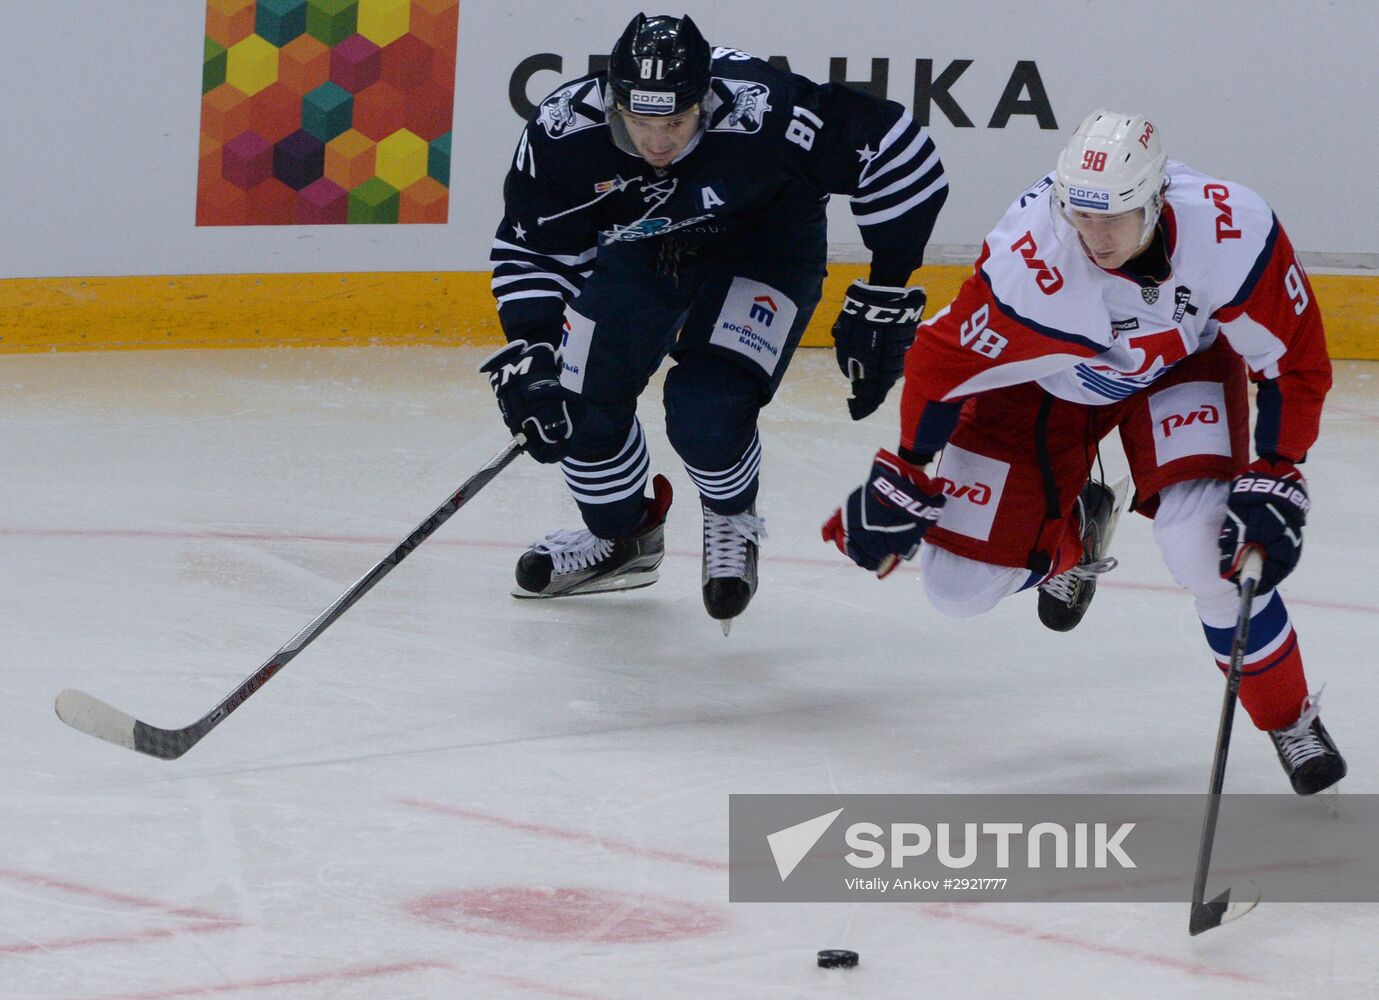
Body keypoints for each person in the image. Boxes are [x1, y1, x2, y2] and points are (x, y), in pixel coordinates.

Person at [823, 109, 1346, 795]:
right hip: (1045, 386)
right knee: (956, 589)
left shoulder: (1231, 228)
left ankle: (1286, 717)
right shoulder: (1028, 257)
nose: (1094, 238)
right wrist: (908, 464)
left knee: (1201, 544)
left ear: (1155, 200)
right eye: (1080, 216)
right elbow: (940, 362)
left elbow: (1294, 359)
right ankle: (1075, 534)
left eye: (1115, 218)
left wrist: (1278, 467)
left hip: (1177, 369)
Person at [481, 12, 947, 632]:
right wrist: (533, 349)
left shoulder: (767, 110)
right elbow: (531, 250)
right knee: (576, 404)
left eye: (675, 121)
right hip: (644, 249)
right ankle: (624, 540)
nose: (658, 143)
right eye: (640, 123)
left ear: (705, 100)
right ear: (612, 100)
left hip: (766, 247)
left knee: (707, 408)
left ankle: (731, 515)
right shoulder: (565, 128)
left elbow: (897, 147)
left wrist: (887, 288)